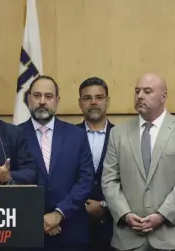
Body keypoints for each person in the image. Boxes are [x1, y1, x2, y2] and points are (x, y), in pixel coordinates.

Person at [102, 73, 175, 251]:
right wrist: (125, 214)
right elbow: (109, 181)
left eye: (147, 91)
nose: (140, 96)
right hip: (129, 237)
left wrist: (162, 215)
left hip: (173, 238)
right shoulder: (118, 133)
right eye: (137, 91)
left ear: (163, 97)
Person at [18, 75, 94, 251]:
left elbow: (85, 180)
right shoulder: (14, 135)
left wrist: (59, 214)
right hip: (28, 233)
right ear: (29, 98)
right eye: (37, 96)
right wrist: (39, 219)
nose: (42, 101)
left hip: (71, 233)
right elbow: (11, 182)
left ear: (57, 100)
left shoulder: (77, 135)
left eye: (48, 96)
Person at [76, 77, 114, 251]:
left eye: (99, 97)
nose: (93, 102)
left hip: (114, 227)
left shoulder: (122, 136)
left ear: (107, 101)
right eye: (87, 98)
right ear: (80, 103)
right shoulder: (67, 136)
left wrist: (105, 205)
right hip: (74, 225)